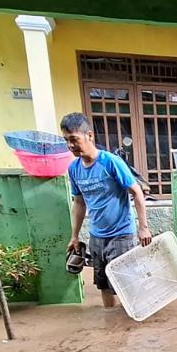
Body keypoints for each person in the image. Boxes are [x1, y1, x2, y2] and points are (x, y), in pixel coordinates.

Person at [62, 112, 152, 308]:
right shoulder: (74, 169)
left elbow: (137, 192)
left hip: (121, 235)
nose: (70, 145)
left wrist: (143, 227)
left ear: (89, 136)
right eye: (66, 140)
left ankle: (133, 320)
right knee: (103, 285)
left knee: (126, 285)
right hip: (97, 237)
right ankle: (111, 320)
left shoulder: (110, 162)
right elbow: (79, 203)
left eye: (74, 139)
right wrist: (74, 236)